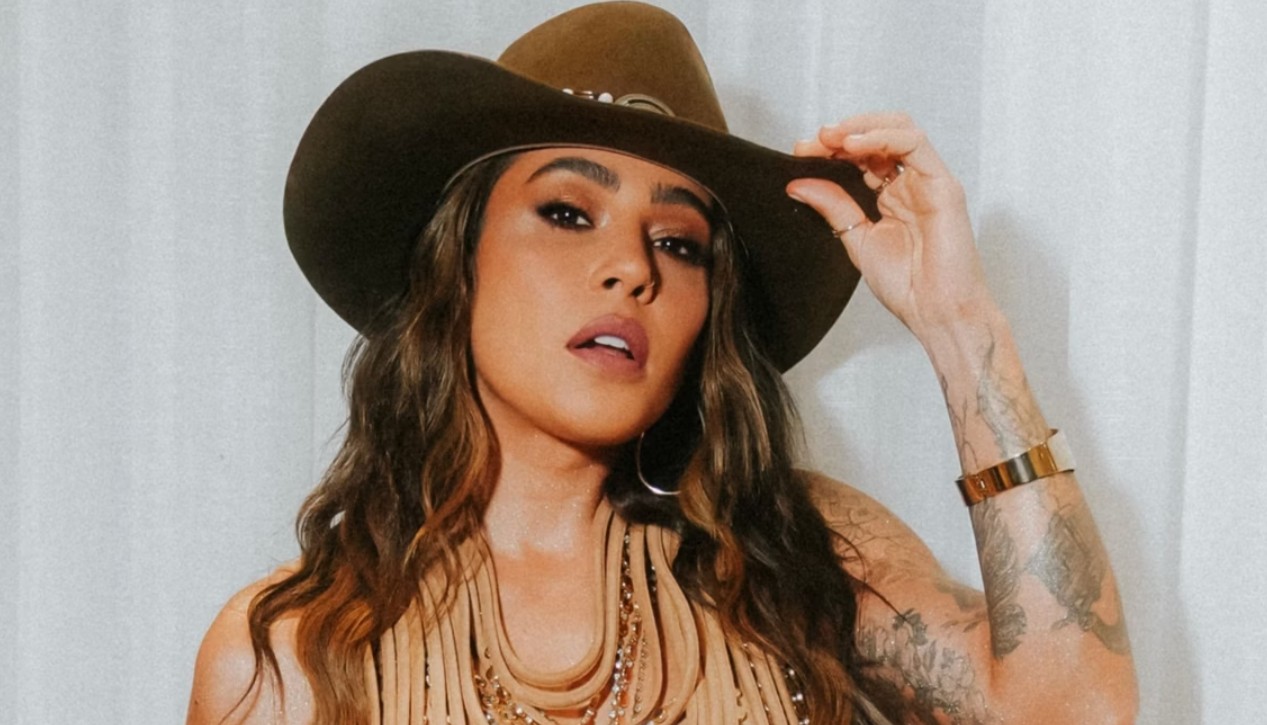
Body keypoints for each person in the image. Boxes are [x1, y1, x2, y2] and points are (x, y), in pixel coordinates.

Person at [188, 3, 1138, 723]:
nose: (632, 268)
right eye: (567, 212)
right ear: (457, 262)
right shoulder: (285, 654)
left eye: (680, 243)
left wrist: (958, 322)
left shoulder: (796, 550)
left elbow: (1073, 712)